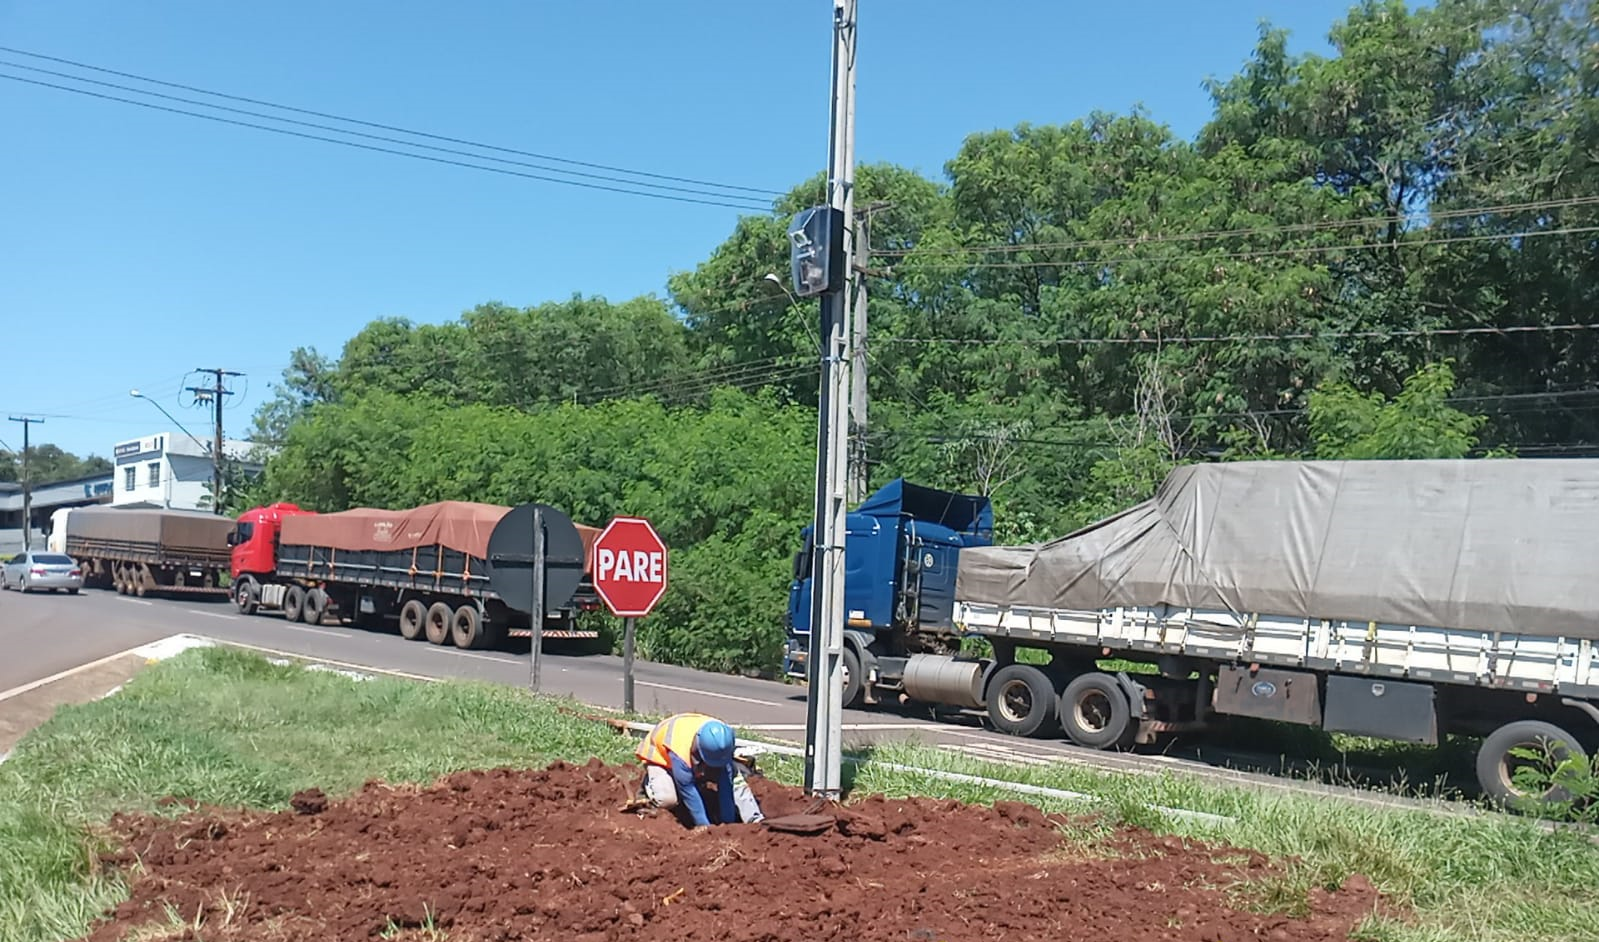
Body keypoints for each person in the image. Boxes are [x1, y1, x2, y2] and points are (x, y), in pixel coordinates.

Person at [633, 712, 765, 827]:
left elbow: (726, 783)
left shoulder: (721, 738)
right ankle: (649, 784)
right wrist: (706, 828)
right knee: (668, 799)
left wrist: (727, 823)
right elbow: (690, 794)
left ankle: (755, 820)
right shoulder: (680, 754)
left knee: (735, 779)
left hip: (697, 753)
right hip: (660, 757)